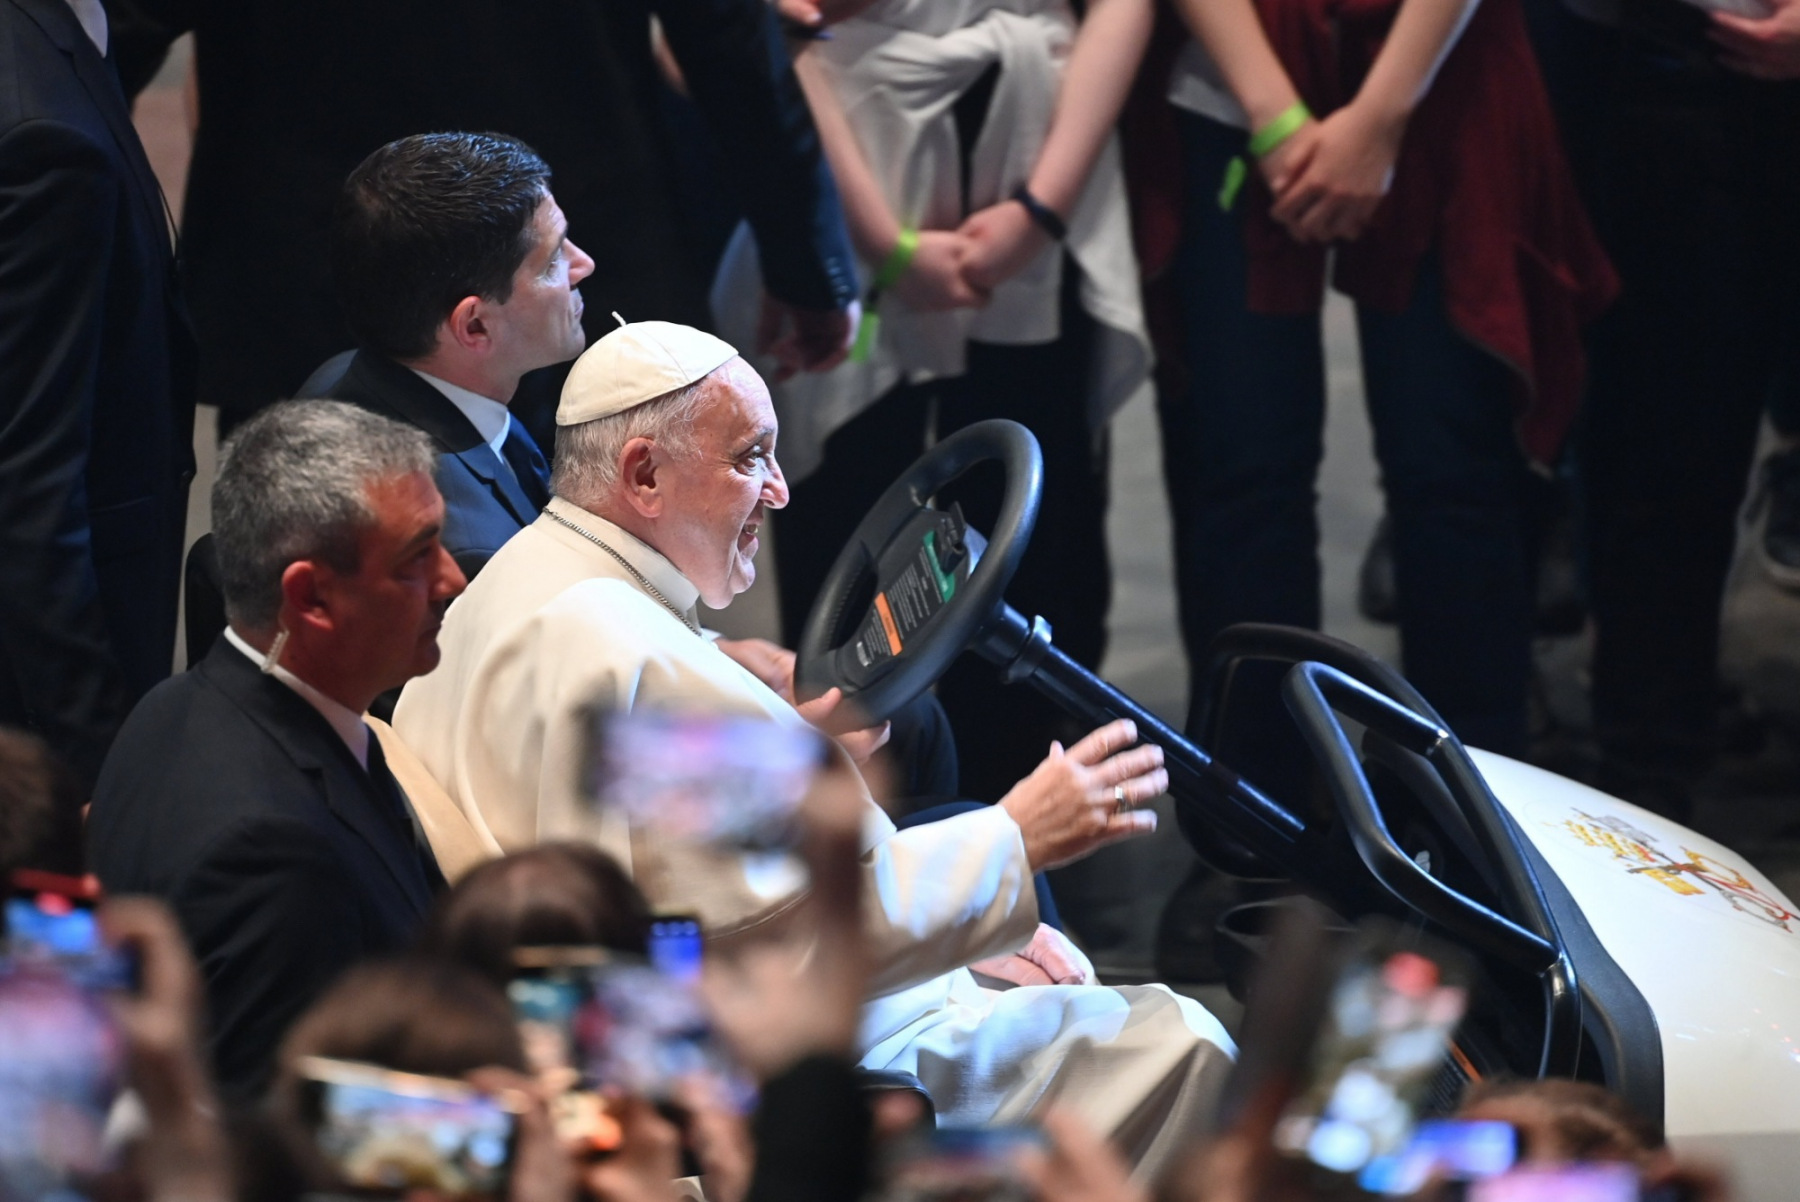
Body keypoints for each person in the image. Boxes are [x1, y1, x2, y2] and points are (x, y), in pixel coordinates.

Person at [395, 320, 1234, 1177]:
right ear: (643, 474)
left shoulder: (528, 580)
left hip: (609, 1019)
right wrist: (1017, 839)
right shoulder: (630, 657)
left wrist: (954, 917)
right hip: (722, 1089)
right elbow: (778, 948)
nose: (781, 491)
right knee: (1183, 1041)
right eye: (750, 458)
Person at [715, 0, 1156, 802]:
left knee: (1037, 529)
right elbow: (744, 30)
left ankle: (1030, 813)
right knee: (848, 537)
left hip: (1038, 164)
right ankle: (863, 825)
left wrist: (1040, 209)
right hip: (844, 178)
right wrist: (884, 243)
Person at [1157, 0, 1615, 760]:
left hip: (1442, 73)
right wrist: (1277, 118)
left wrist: (1377, 118)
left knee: (1453, 467)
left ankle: (1461, 791)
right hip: (1229, 79)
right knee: (1242, 469)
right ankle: (1251, 798)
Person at [106, 0, 857, 438]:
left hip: (300, 263)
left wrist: (77, 250)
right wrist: (807, 263)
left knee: (310, 605)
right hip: (570, 258)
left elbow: (111, 34)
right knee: (597, 607)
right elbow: (728, 41)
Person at [88, 400, 465, 1098]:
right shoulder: (272, 853)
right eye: (418, 557)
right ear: (312, 598)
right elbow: (276, 1130)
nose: (452, 581)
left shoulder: (174, 705)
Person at [0, 0, 196, 799]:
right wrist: (96, 764)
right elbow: (28, 478)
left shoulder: (61, 34)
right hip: (51, 674)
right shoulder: (44, 136)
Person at [323, 133, 589, 580]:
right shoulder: (473, 554)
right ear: (475, 326)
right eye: (551, 262)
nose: (582, 264)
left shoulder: (345, 373)